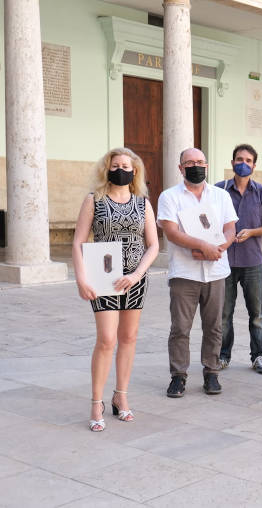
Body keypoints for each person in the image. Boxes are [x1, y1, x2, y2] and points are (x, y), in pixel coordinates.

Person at [72, 147, 159, 432]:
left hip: (134, 278)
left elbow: (154, 245)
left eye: (126, 165)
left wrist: (136, 275)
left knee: (129, 337)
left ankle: (120, 396)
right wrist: (81, 278)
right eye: (115, 164)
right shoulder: (93, 200)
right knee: (107, 339)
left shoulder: (143, 202)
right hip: (103, 276)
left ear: (135, 171)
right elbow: (78, 242)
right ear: (107, 168)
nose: (121, 168)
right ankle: (96, 402)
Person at [157, 148, 238, 398]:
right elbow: (171, 232)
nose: (196, 166)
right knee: (180, 327)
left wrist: (221, 246)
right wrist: (202, 246)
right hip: (185, 273)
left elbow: (230, 228)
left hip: (216, 271)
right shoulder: (169, 197)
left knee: (214, 326)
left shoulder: (221, 196)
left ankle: (211, 372)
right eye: (190, 162)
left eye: (200, 162)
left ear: (207, 165)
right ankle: (178, 376)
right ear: (180, 168)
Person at [215, 144, 262, 374]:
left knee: (257, 313)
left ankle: (258, 355)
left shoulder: (261, 192)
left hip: (252, 261)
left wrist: (252, 232)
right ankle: (223, 355)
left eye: (248, 160)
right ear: (232, 163)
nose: (243, 163)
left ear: (254, 165)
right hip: (224, 263)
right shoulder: (218, 191)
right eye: (239, 159)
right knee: (224, 313)